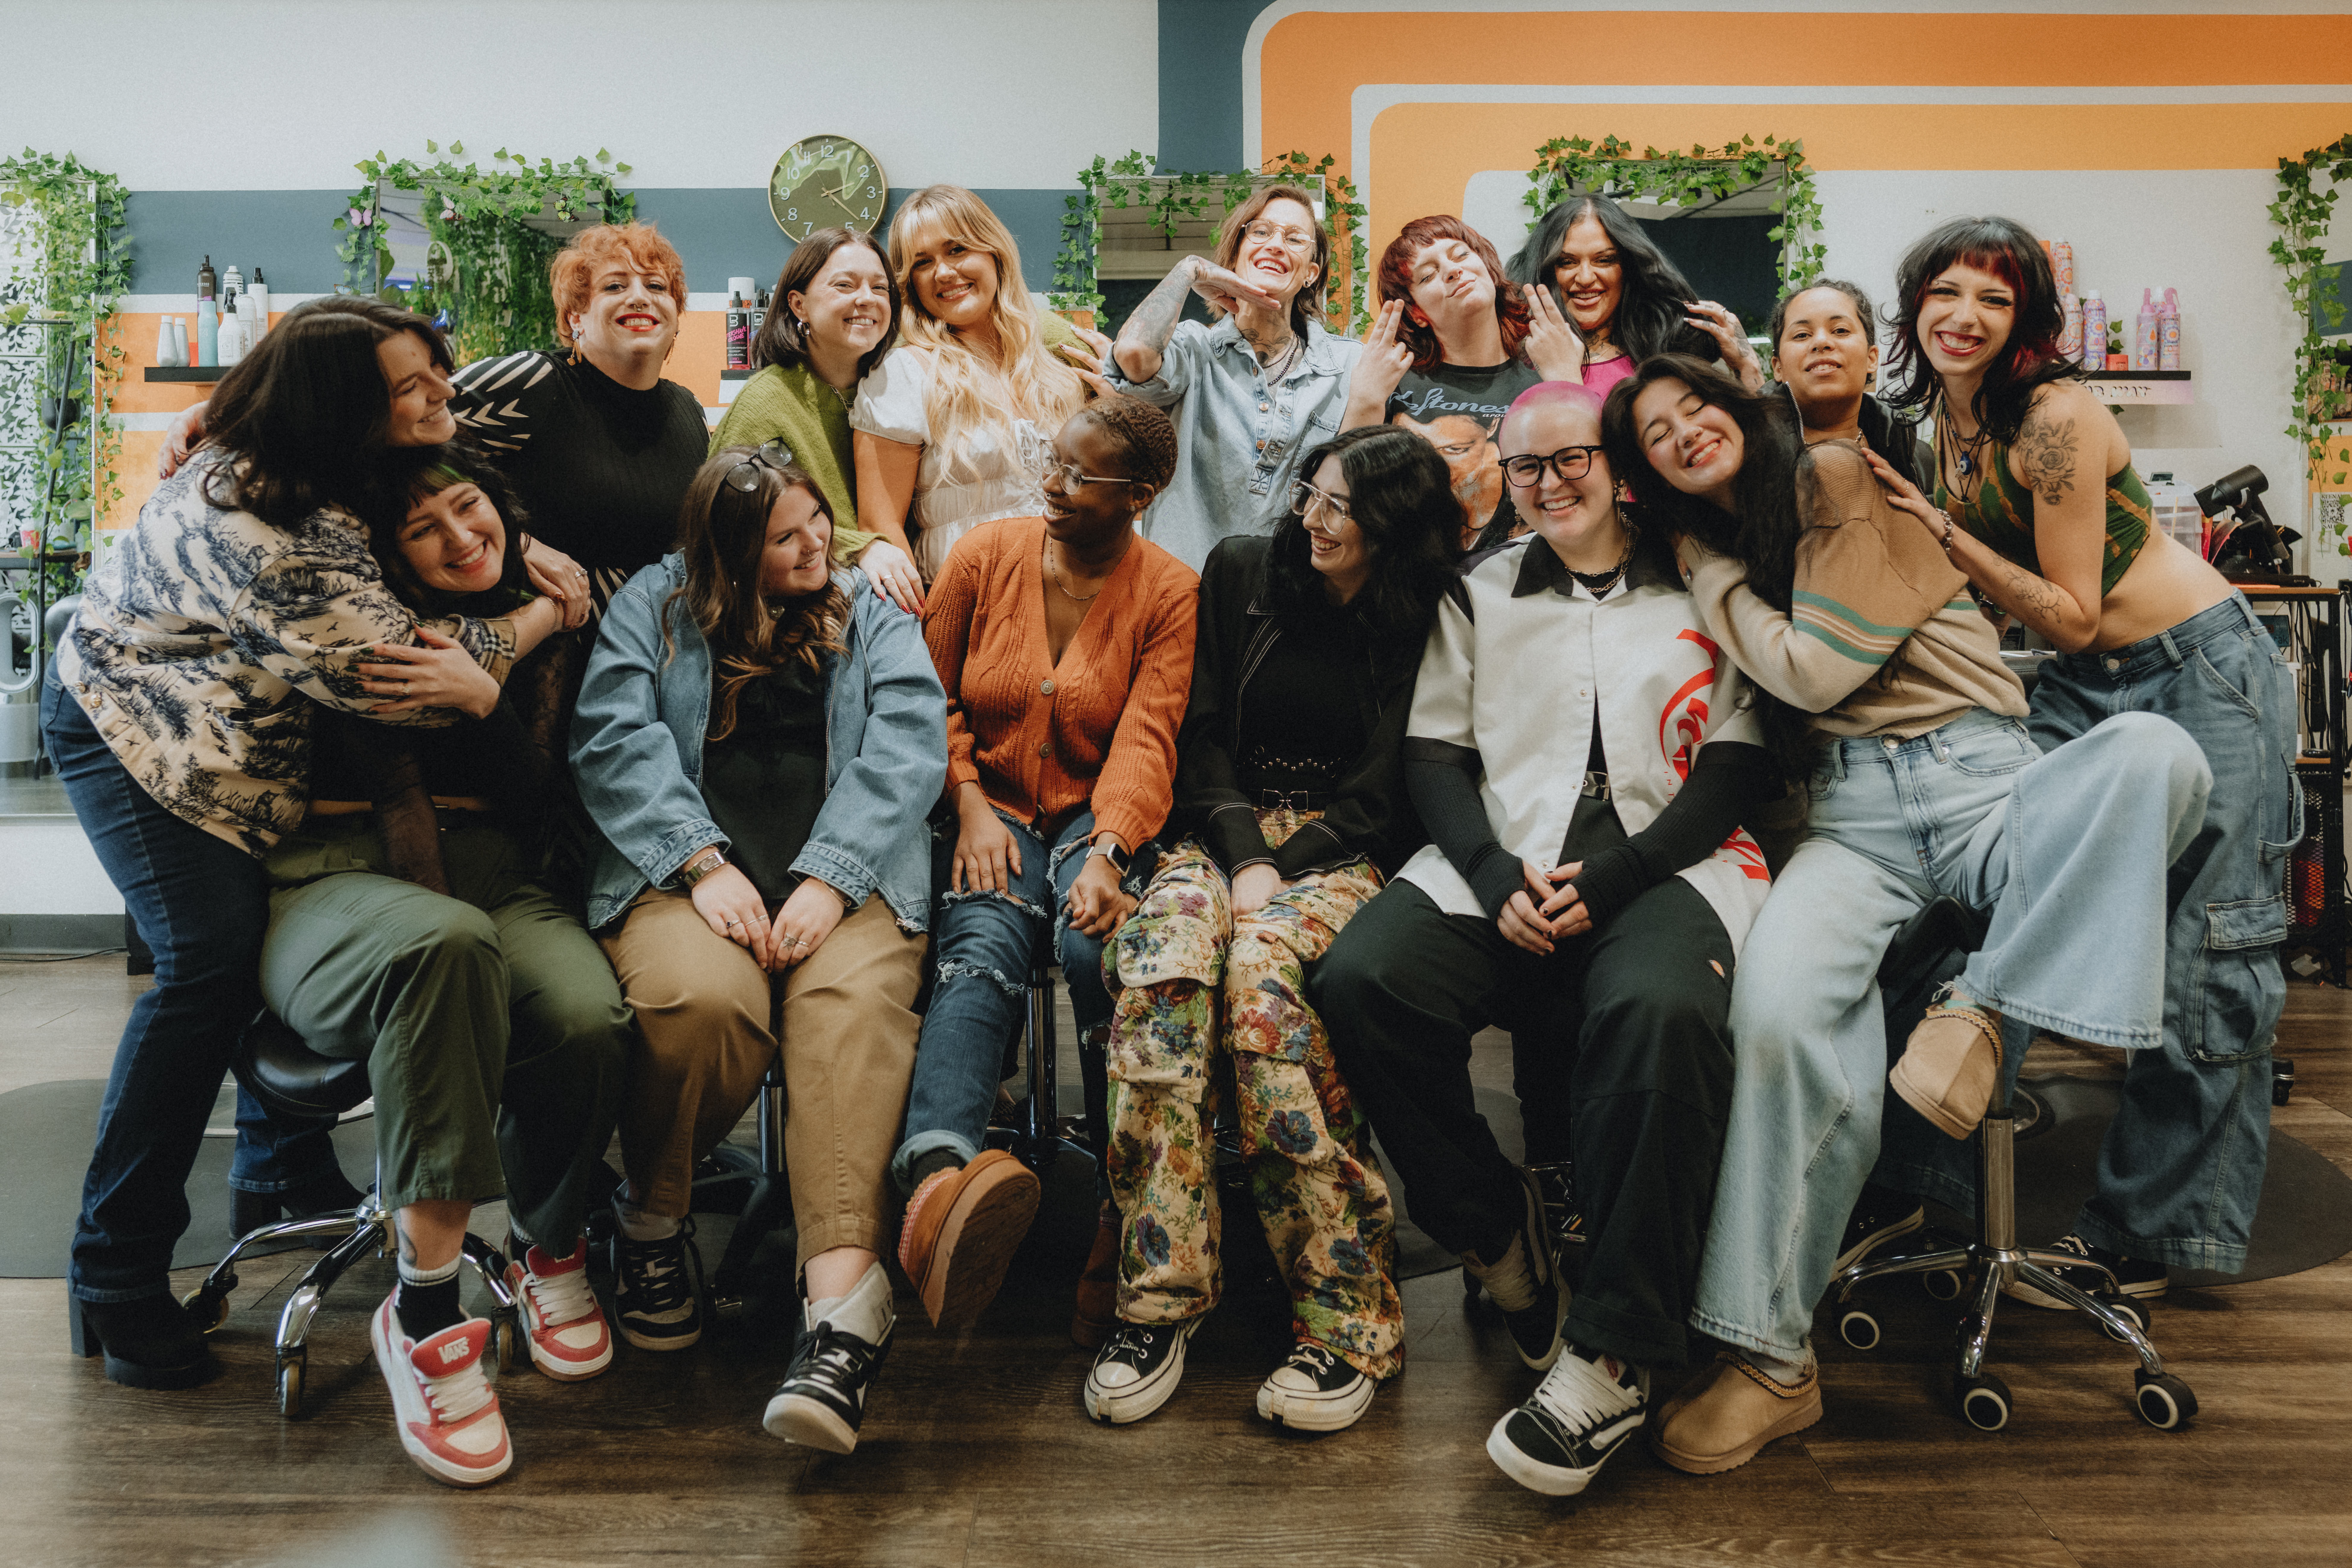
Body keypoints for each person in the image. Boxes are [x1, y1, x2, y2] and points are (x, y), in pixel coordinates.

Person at [1605, 354, 2212, 1476]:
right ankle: (1770, 1363)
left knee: (2156, 754)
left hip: (1984, 780)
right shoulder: (1732, 551)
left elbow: (1813, 672)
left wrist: (1708, 579)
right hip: (1849, 819)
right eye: (1653, 431)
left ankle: (1987, 1003)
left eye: (1697, 406)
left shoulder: (1830, 476)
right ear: (1645, 470)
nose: (1685, 431)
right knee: (1777, 1021)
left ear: (1740, 405)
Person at [43, 298, 573, 1394]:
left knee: (244, 957)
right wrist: (535, 622)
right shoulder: (271, 536)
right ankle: (114, 1272)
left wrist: (524, 544)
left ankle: (276, 1182)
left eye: (439, 375)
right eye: (413, 392)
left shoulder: (297, 450)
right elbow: (410, 676)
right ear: (344, 412)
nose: (442, 401)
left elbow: (441, 489)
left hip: (224, 729)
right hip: (141, 734)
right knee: (206, 967)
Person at [1313, 383, 1781, 1495]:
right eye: (1523, 469)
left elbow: (1734, 760)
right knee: (1364, 980)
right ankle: (1493, 1233)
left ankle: (1616, 1349)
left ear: (1616, 465)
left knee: (1657, 1011)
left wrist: (1616, 876)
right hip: (1508, 855)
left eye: (1568, 459)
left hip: (1666, 857)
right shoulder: (1476, 594)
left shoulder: (1702, 578)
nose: (1547, 484)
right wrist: (1489, 875)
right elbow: (1433, 755)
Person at [1870, 215, 2298, 1306]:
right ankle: (1929, 1188)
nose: (1964, 315)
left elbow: (2066, 614)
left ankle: (2159, 1231)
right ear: (1914, 302)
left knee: (2209, 958)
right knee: (1972, 891)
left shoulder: (2052, 415)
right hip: (2079, 690)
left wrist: (1939, 532)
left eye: (1994, 299)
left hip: (2197, 675)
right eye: (1946, 292)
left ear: (2028, 322)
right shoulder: (1939, 425)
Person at [251, 441, 630, 1486]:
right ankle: (423, 1308)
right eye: (426, 528)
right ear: (385, 547)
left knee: (590, 1015)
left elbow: (543, 804)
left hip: (500, 866)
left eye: (471, 511)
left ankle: (552, 1247)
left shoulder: (546, 613)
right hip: (330, 870)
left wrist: (484, 696)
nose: (462, 537)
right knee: (442, 945)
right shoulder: (347, 619)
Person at [571, 446, 944, 1456]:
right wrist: (699, 862)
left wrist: (830, 873)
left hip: (852, 877)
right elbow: (611, 736)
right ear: (728, 554)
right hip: (686, 875)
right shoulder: (654, 603)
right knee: (701, 1005)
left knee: (848, 1018)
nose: (815, 543)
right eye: (784, 538)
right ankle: (651, 1222)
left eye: (817, 521)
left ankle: (839, 1318)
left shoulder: (870, 605)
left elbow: (910, 740)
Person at [1084, 425, 1454, 1434]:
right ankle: (1159, 1296)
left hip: (1350, 852)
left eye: (1341, 505)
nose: (1313, 517)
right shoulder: (1246, 568)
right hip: (1219, 833)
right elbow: (1201, 732)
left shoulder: (1429, 611)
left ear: (1395, 526)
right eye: (1310, 493)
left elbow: (1396, 785)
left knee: (1263, 983)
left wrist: (1282, 871)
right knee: (1162, 973)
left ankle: (1346, 1318)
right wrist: (1245, 854)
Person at [892, 394, 1195, 1333]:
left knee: (1092, 948)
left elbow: (1149, 736)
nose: (1052, 486)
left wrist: (1108, 851)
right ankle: (936, 1192)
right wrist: (971, 806)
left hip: (1093, 819)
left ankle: (1121, 1195)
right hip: (987, 807)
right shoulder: (985, 556)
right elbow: (926, 698)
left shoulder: (1169, 590)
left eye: (1078, 475)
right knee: (980, 941)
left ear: (1138, 495)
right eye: (1050, 464)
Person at [442, 221, 710, 609]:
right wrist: (520, 543)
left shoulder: (690, 410)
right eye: (614, 286)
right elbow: (408, 444)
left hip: (657, 647)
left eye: (656, 287)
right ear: (575, 319)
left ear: (675, 315)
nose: (639, 298)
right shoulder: (536, 382)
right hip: (553, 649)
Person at [853, 184, 1110, 588]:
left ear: (994, 253)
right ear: (911, 283)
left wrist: (1115, 414)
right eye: (922, 262)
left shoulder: (1054, 367)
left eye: (957, 250)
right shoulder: (904, 374)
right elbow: (880, 528)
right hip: (971, 611)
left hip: (1076, 599)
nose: (943, 272)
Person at [1105, 182, 1362, 569]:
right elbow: (1134, 354)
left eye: (1295, 238)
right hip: (1188, 600)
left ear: (1311, 273)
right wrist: (1188, 270)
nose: (1276, 244)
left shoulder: (1349, 364)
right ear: (1235, 257)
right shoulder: (1196, 349)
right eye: (1260, 232)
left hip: (1297, 605)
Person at [709, 225, 923, 613]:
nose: (867, 299)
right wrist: (862, 546)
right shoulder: (767, 401)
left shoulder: (898, 382)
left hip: (900, 596)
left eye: (880, 288)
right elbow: (730, 523)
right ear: (799, 305)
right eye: (845, 285)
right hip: (803, 615)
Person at [1340, 216, 1569, 548]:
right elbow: (1340, 498)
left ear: (1489, 271)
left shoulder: (1546, 374)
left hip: (1521, 585)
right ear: (1417, 312)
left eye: (1461, 255)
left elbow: (1584, 481)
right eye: (1427, 275)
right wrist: (1365, 402)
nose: (1451, 270)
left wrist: (1567, 386)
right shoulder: (1392, 383)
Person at [1505, 192, 1762, 404]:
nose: (1585, 278)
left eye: (1604, 260)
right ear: (1547, 271)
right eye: (1566, 262)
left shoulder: (1666, 356)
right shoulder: (1517, 363)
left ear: (1628, 267)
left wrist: (1747, 367)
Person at [1766, 278, 1928, 487]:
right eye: (1802, 335)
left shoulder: (1915, 456)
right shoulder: (1746, 454)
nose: (1822, 342)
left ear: (1872, 359)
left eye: (1841, 331)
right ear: (1778, 367)